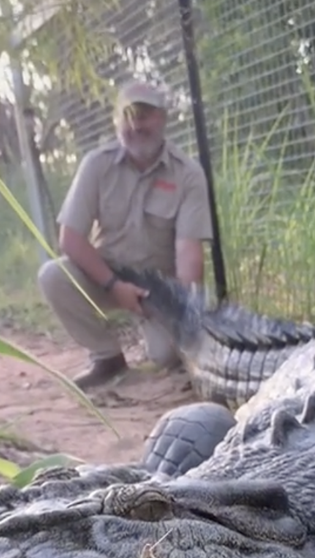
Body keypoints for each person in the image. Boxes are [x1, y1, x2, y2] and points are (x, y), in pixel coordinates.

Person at [37, 80, 213, 391]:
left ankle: (166, 340)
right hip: (104, 275)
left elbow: (189, 254)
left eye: (144, 115)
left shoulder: (187, 173)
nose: (135, 124)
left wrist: (181, 309)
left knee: (168, 357)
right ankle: (107, 358)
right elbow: (71, 238)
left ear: (162, 118)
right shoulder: (96, 164)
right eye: (127, 115)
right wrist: (114, 285)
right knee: (53, 275)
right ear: (117, 121)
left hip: (157, 288)